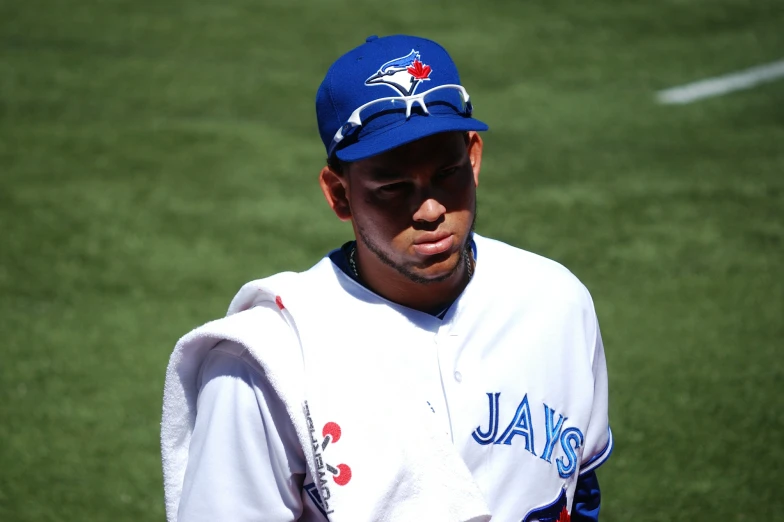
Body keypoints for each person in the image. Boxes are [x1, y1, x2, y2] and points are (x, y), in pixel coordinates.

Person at [161, 34, 612, 522]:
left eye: (448, 173)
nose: (431, 209)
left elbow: (579, 494)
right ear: (339, 194)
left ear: (474, 158)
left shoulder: (556, 302)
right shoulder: (266, 363)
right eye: (393, 188)